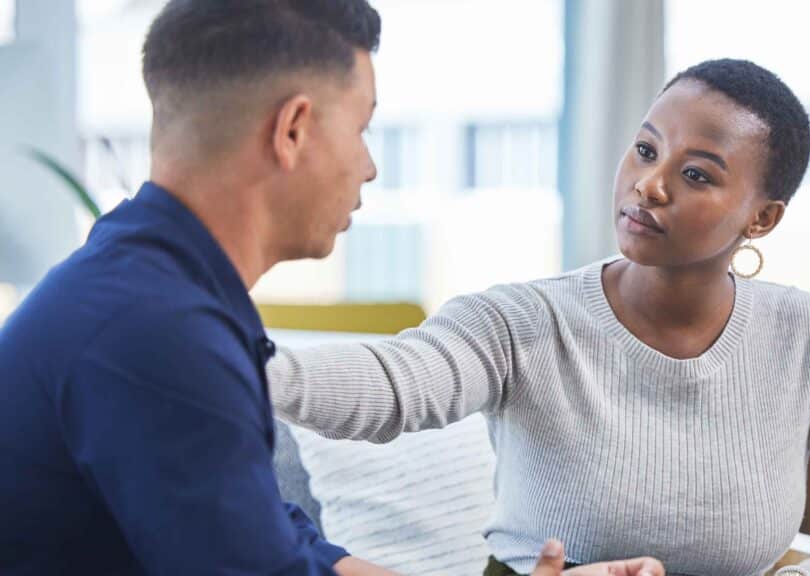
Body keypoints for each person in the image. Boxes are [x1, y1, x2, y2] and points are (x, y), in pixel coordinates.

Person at [0, 1, 664, 575]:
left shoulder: (148, 286)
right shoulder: (155, 331)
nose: (370, 167)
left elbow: (284, 547)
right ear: (292, 130)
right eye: (362, 128)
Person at [270, 59, 810, 575]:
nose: (650, 184)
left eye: (698, 175)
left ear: (762, 218)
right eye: (647, 151)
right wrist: (244, 364)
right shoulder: (522, 321)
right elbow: (398, 382)